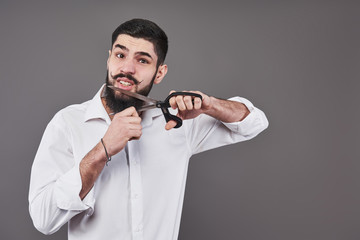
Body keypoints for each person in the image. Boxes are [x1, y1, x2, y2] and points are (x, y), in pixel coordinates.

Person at [29, 18, 269, 240]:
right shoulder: (68, 123)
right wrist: (102, 150)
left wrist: (210, 105)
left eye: (142, 60)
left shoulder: (178, 122)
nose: (127, 69)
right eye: (120, 55)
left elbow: (254, 123)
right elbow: (43, 219)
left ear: (160, 73)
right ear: (109, 59)